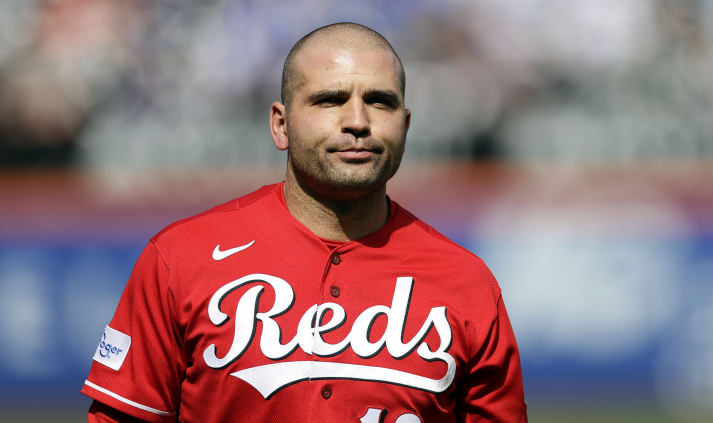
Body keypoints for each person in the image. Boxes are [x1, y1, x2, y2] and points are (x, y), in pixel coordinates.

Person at [82, 22, 527, 422]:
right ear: (281, 125)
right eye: (330, 99)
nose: (357, 121)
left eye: (380, 101)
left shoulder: (467, 283)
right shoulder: (179, 258)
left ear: (406, 126)